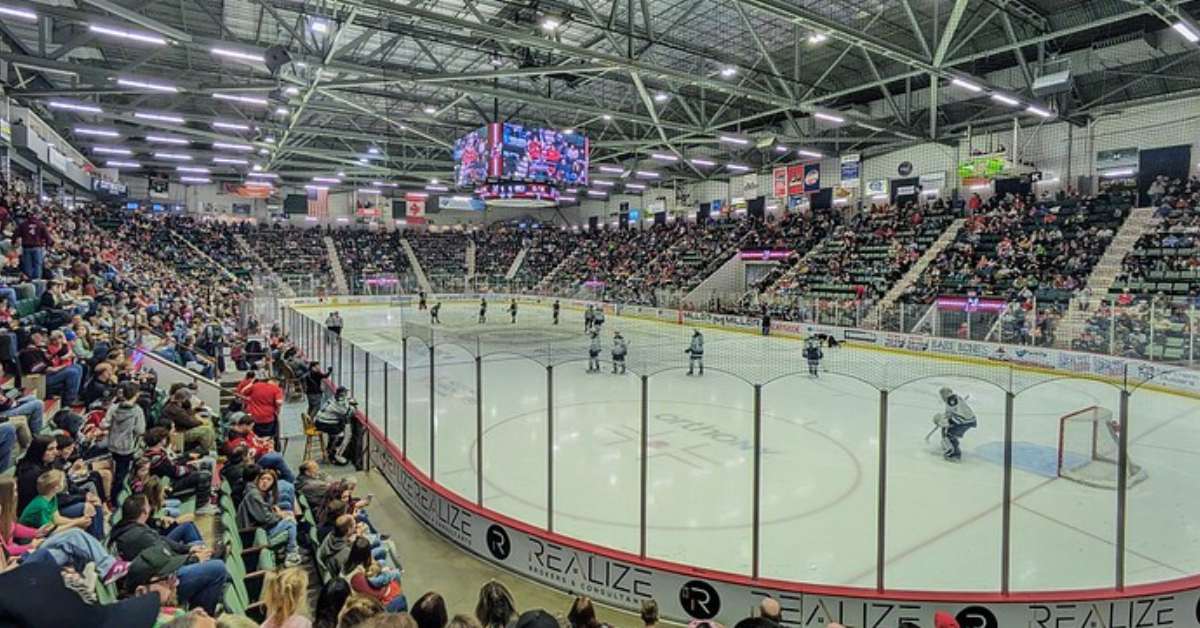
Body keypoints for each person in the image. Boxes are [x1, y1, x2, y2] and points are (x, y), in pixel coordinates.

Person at [112, 495, 229, 617]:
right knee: (218, 568)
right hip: (158, 576)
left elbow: (162, 543)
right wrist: (192, 558)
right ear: (144, 511)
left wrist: (189, 549)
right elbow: (164, 556)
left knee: (189, 530)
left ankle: (209, 568)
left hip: (161, 571)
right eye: (148, 505)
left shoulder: (131, 527)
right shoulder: (137, 536)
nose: (151, 507)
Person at [142, 427, 218, 515]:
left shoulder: (155, 452)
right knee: (204, 475)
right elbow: (176, 472)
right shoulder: (156, 457)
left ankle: (208, 495)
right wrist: (191, 467)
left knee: (203, 464)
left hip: (170, 479)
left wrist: (188, 463)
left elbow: (173, 464)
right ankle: (201, 506)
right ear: (162, 440)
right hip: (166, 486)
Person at [235, 468, 301, 566]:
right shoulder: (254, 495)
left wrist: (278, 512)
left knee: (289, 516)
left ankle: (289, 550)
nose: (265, 482)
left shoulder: (261, 494)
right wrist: (280, 515)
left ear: (273, 483)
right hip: (252, 534)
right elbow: (266, 519)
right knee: (290, 522)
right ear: (258, 480)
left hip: (258, 529)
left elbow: (265, 512)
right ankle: (291, 553)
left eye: (269, 479)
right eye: (262, 479)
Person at [344, 536, 407, 612]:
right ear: (366, 555)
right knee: (396, 574)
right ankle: (398, 594)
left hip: (367, 580)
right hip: (371, 599)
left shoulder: (350, 559)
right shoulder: (357, 578)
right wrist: (385, 576)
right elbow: (377, 594)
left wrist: (378, 566)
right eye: (369, 551)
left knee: (381, 557)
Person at [314, 386, 357, 466]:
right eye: (345, 393)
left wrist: (347, 401)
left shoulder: (333, 398)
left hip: (319, 421)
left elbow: (343, 403)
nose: (346, 395)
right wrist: (353, 406)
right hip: (324, 424)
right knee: (342, 435)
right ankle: (336, 455)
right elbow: (349, 412)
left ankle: (330, 450)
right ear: (342, 394)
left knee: (334, 433)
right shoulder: (338, 403)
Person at [933, 387, 977, 462]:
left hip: (964, 421)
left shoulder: (951, 399)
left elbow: (957, 414)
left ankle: (954, 455)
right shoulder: (953, 398)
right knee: (948, 432)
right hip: (966, 420)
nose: (942, 397)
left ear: (946, 394)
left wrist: (943, 421)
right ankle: (949, 447)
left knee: (950, 435)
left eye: (942, 395)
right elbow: (951, 413)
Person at [243, 371, 284, 451]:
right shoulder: (276, 389)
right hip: (268, 417)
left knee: (256, 437)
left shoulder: (255, 386)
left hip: (255, 417)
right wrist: (277, 407)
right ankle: (269, 451)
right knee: (269, 437)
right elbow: (279, 402)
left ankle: (259, 450)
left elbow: (243, 392)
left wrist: (252, 383)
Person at [14, 212, 51, 280]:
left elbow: (15, 234)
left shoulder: (23, 224)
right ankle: (37, 282)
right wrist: (47, 247)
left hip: (26, 248)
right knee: (38, 266)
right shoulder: (41, 224)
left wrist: (13, 242)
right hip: (37, 248)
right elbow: (48, 238)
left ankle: (29, 281)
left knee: (27, 266)